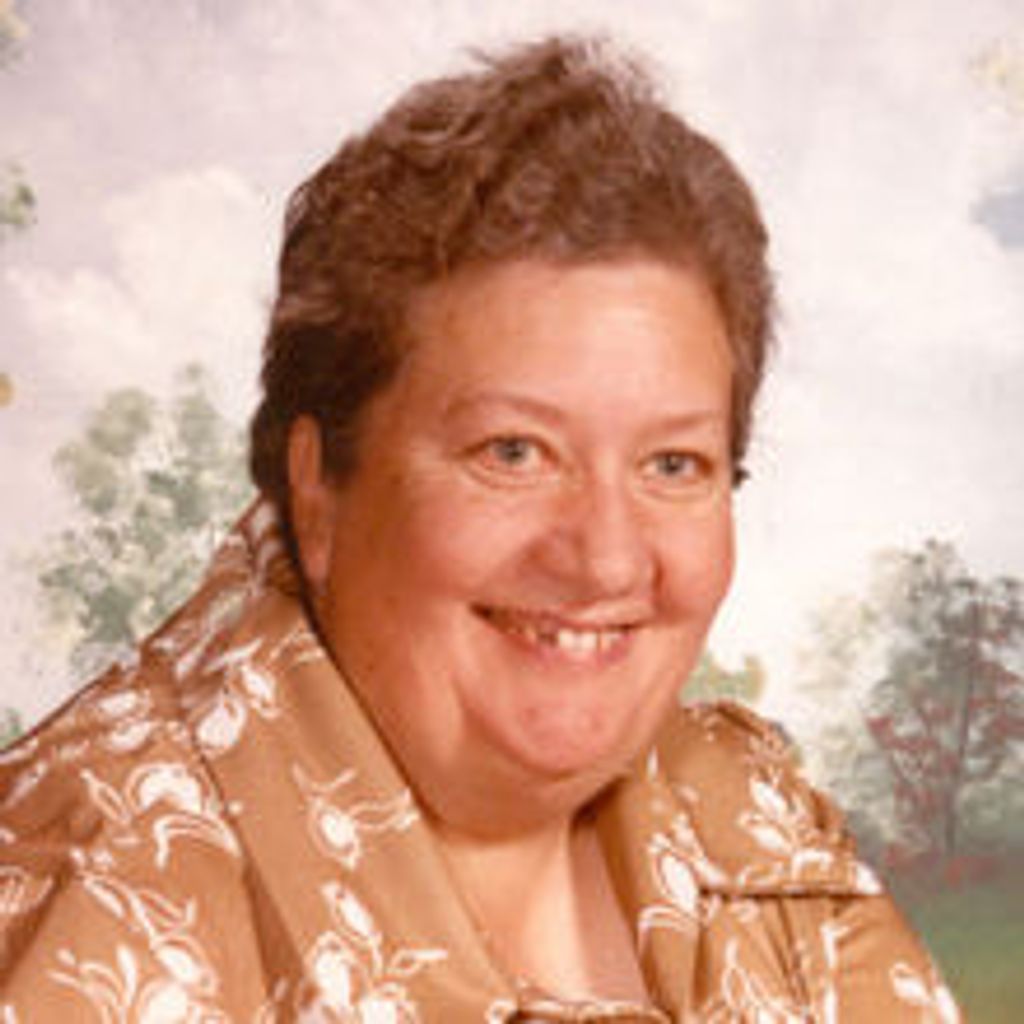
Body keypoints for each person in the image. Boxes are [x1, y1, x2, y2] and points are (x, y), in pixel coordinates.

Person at [0, 36, 960, 1022]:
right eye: (514, 452)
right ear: (317, 486)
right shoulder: (96, 897)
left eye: (672, 464)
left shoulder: (754, 825)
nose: (606, 558)